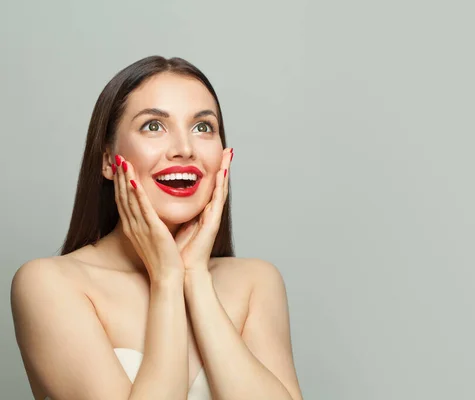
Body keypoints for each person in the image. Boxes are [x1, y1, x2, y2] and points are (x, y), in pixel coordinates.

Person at [10, 56, 303, 400]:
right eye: (153, 126)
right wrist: (166, 278)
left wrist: (194, 278)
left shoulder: (257, 282)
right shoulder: (49, 284)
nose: (184, 149)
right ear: (108, 160)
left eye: (202, 127)